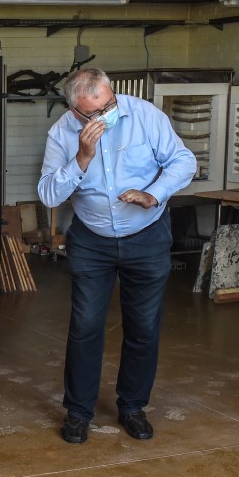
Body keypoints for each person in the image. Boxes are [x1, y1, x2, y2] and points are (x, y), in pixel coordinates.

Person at [37, 67, 196, 444]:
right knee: (85, 326)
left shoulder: (143, 115)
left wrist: (154, 193)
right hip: (92, 241)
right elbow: (48, 194)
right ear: (75, 111)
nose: (106, 115)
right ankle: (79, 412)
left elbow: (184, 161)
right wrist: (82, 157)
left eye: (109, 105)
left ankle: (133, 407)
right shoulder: (62, 132)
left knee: (143, 326)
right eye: (95, 113)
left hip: (147, 236)